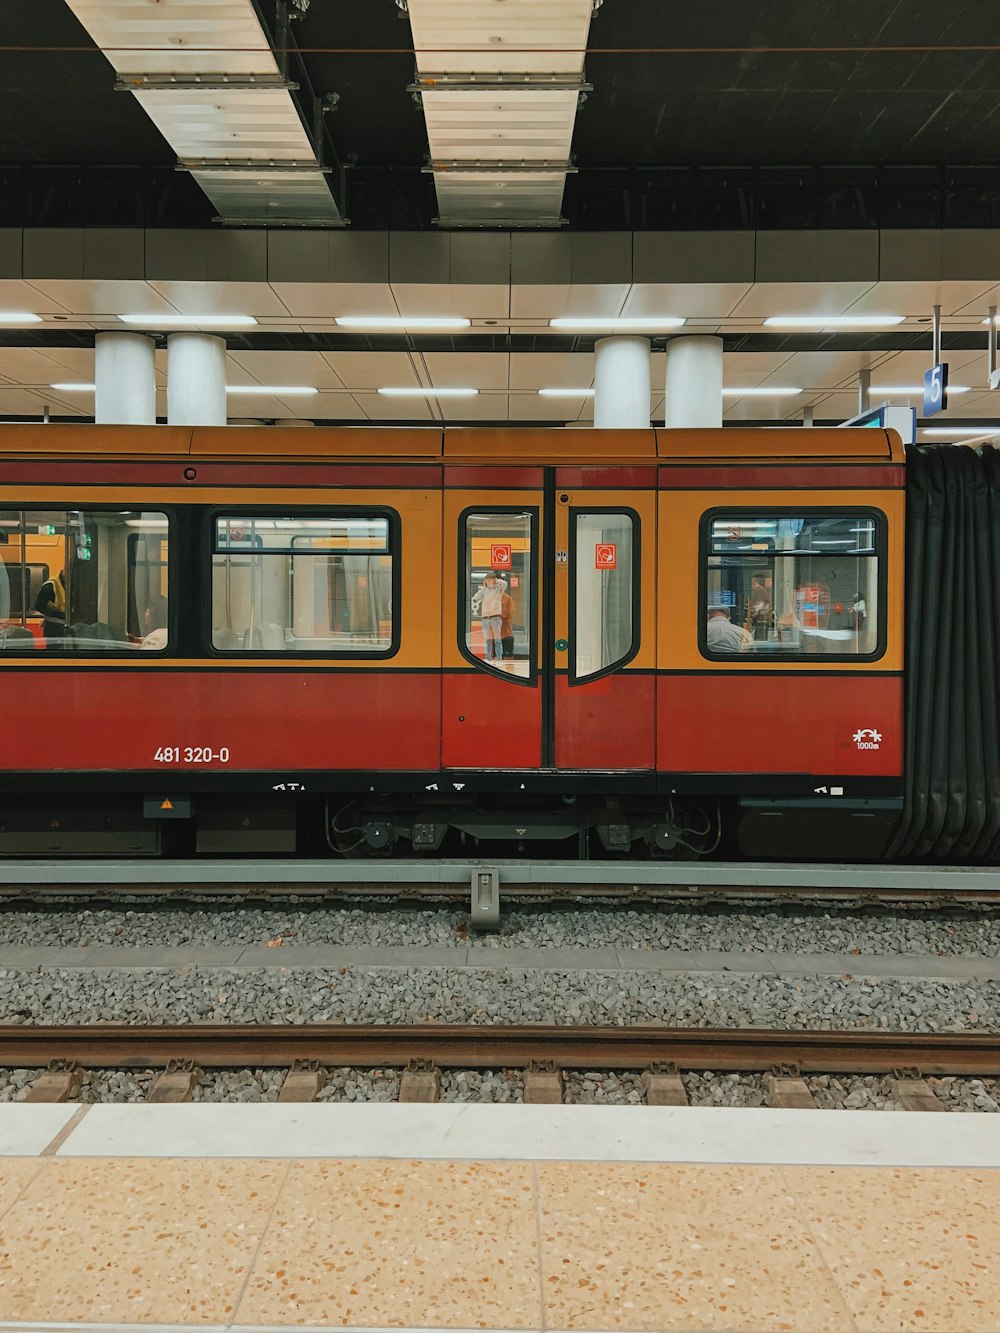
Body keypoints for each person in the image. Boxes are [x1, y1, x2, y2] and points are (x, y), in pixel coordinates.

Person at [471, 569, 507, 663]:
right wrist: (483, 587)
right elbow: (476, 597)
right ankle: (488, 657)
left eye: (489, 580)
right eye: (486, 580)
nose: (487, 582)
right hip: (485, 618)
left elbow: (505, 583)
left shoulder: (498, 589)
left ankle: (498, 658)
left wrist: (495, 581)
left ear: (493, 580)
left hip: (496, 617)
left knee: (497, 639)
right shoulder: (484, 590)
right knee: (487, 640)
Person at [34, 569, 66, 643]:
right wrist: (58, 615)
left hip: (67, 624)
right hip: (53, 626)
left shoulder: (76, 583)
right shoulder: (50, 585)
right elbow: (39, 606)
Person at [500, 587, 514, 661]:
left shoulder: (507, 598)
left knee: (508, 657)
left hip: (506, 633)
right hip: (495, 634)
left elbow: (509, 614)